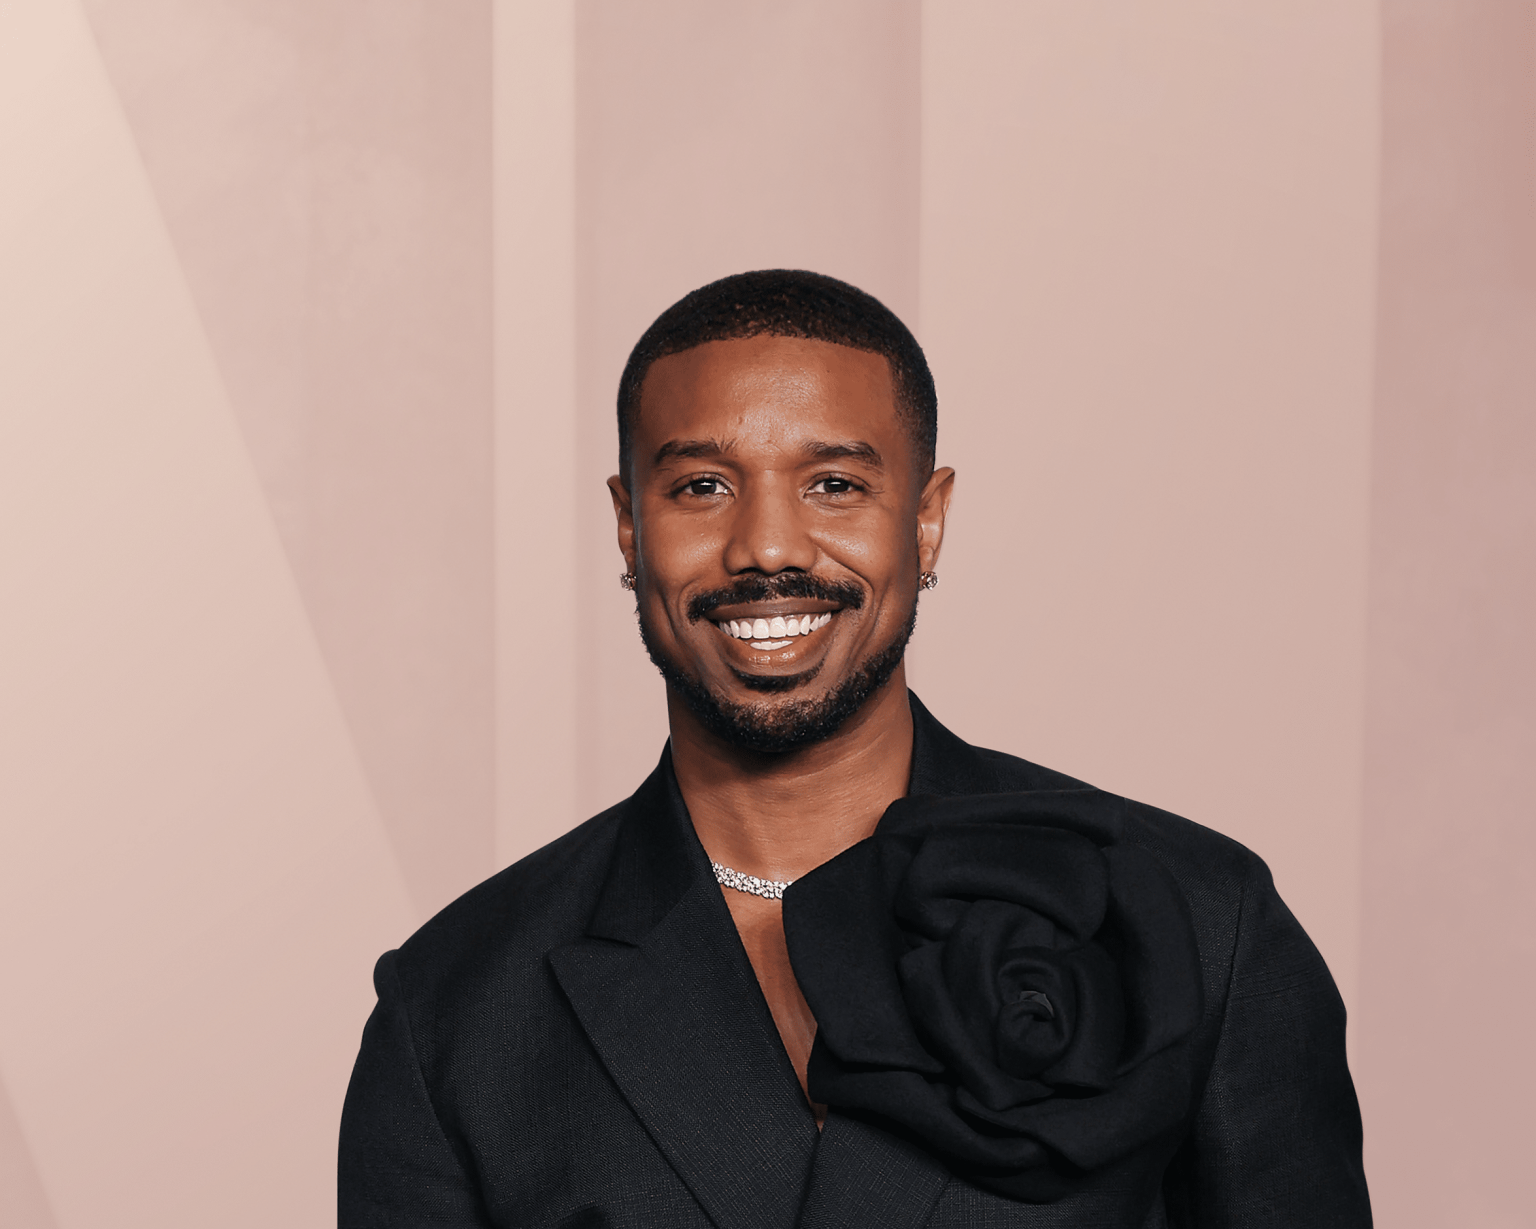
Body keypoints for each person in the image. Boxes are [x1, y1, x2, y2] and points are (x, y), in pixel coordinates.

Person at [339, 270, 1371, 1227]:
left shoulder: (1195, 921)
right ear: (628, 526)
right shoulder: (457, 1013)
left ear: (925, 522)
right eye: (702, 485)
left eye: (834, 484)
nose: (770, 546)